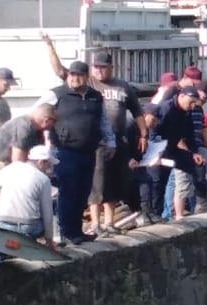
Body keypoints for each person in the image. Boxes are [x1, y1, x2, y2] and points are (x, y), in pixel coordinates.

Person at [42, 40, 146, 237]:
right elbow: (59, 71)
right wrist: (50, 47)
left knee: (114, 184)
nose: (99, 71)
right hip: (89, 146)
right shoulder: (81, 85)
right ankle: (93, 223)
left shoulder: (119, 87)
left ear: (110, 68)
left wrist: (143, 134)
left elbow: (135, 111)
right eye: (96, 67)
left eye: (103, 67)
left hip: (115, 143)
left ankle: (108, 222)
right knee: (95, 185)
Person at [36, 60, 115, 244]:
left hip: (89, 151)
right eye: (71, 75)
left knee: (83, 192)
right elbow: (38, 114)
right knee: (68, 192)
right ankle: (67, 233)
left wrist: (111, 142)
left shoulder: (96, 96)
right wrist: (47, 147)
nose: (74, 78)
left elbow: (103, 121)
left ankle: (77, 231)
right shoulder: (57, 94)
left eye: (78, 75)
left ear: (86, 77)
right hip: (65, 151)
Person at [0, 144, 57, 265]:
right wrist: (49, 241)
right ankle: (28, 250)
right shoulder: (43, 179)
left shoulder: (12, 168)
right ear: (41, 162)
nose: (50, 169)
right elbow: (47, 215)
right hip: (29, 228)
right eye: (49, 164)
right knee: (42, 218)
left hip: (2, 223)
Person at [0, 105, 57, 207]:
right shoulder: (24, 127)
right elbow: (17, 162)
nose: (54, 125)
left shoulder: (34, 129)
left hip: (2, 164)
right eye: (54, 121)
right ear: (46, 120)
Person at [156, 88, 206, 219]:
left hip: (173, 148)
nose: (192, 106)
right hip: (158, 149)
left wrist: (194, 152)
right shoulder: (167, 108)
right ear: (181, 96)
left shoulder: (187, 112)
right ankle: (163, 213)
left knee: (194, 165)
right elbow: (154, 130)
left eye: (194, 104)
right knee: (159, 181)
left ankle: (192, 206)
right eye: (190, 102)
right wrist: (156, 153)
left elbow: (190, 134)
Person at [126, 104, 162, 226]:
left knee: (148, 178)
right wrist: (128, 158)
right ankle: (141, 211)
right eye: (153, 120)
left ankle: (148, 211)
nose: (155, 124)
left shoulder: (145, 131)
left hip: (138, 162)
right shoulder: (129, 124)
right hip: (123, 161)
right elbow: (120, 143)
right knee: (143, 180)